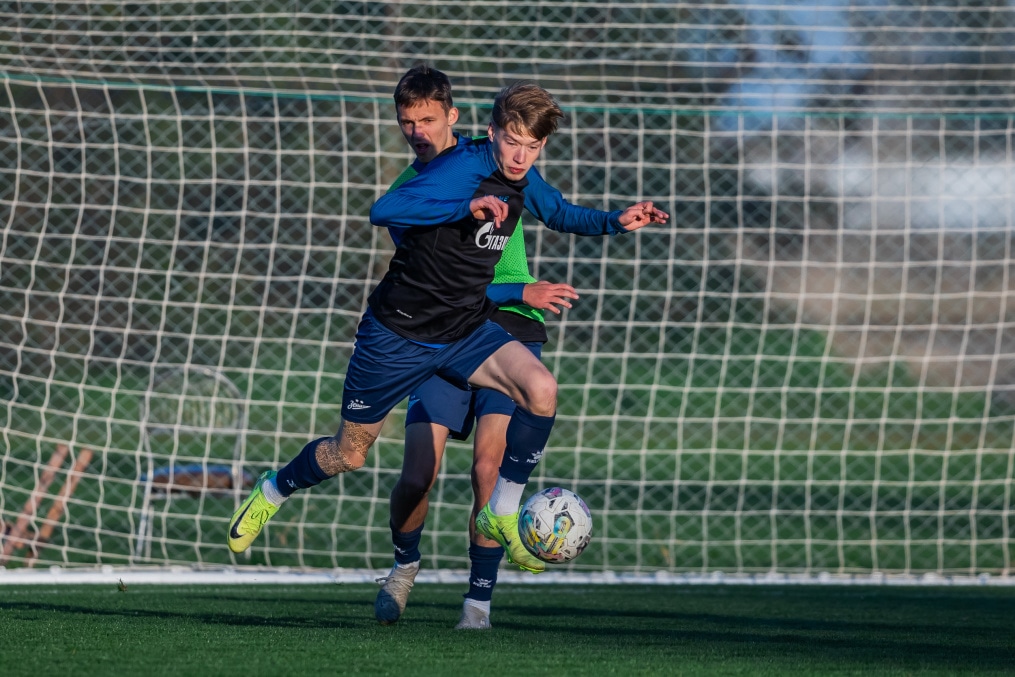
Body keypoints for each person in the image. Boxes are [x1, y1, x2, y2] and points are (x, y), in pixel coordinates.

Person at [226, 80, 668, 623]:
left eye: (532, 147)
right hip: (397, 335)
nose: (520, 156)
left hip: (465, 329)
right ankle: (274, 488)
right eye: (512, 142)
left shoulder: (522, 176)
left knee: (541, 388)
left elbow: (559, 212)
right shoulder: (458, 168)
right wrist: (466, 205)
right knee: (349, 454)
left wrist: (614, 221)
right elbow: (384, 209)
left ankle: (502, 512)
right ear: (491, 132)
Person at [371, 65, 582, 631]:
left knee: (489, 468)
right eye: (408, 122)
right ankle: (404, 565)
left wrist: (616, 221)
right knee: (418, 475)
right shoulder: (412, 195)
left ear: (455, 119)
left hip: (507, 331)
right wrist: (521, 288)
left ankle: (477, 604)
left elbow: (561, 212)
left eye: (428, 120)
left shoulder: (500, 165)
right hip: (443, 332)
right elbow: (442, 286)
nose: (418, 131)